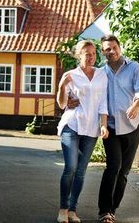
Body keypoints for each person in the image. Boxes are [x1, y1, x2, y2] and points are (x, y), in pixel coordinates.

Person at [68, 34, 139, 223]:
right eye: (107, 49)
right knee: (113, 167)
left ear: (119, 47)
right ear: (103, 53)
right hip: (110, 128)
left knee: (124, 172)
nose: (111, 51)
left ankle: (113, 209)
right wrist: (71, 101)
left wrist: (135, 106)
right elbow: (90, 93)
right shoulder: (101, 73)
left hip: (132, 127)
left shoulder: (134, 67)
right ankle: (104, 211)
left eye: (114, 47)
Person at [56, 39, 109, 223]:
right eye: (87, 54)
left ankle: (72, 209)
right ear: (79, 55)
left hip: (92, 128)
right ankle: (63, 209)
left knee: (81, 171)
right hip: (72, 125)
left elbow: (103, 103)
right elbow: (62, 104)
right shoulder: (71, 75)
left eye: (94, 54)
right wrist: (62, 86)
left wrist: (103, 124)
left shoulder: (102, 75)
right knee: (70, 167)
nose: (91, 57)